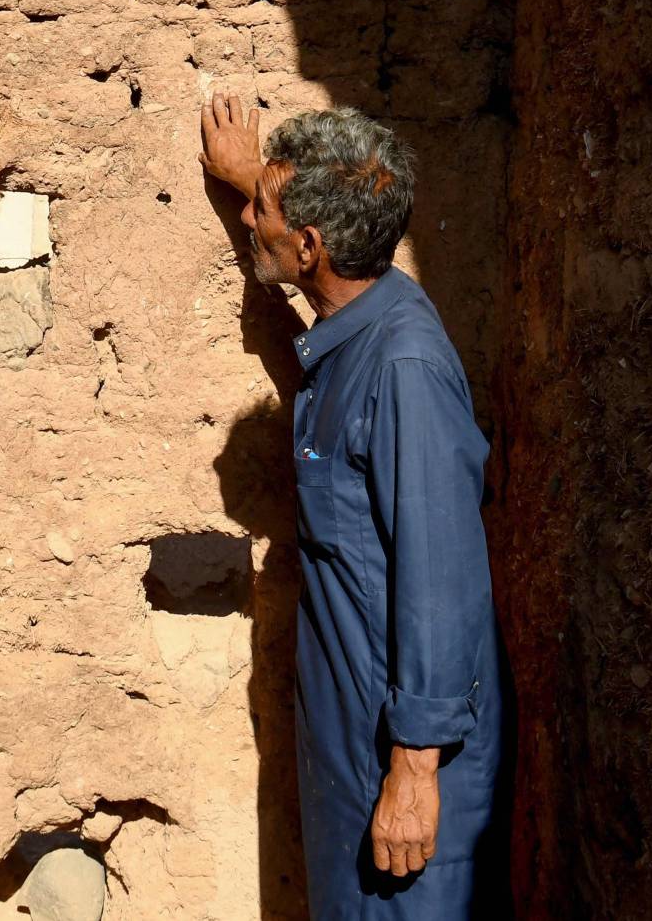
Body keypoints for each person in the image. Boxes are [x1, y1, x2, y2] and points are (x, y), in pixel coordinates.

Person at [200, 94, 505, 920]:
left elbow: (442, 582)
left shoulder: (402, 370)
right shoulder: (363, 308)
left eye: (263, 209)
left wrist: (413, 772)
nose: (251, 216)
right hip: (352, 736)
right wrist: (248, 181)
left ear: (310, 246)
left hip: (403, 761)